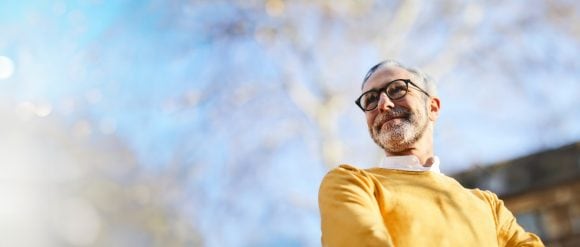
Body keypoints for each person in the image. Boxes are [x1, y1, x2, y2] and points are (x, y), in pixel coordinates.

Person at [318, 60, 544, 246]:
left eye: (396, 89)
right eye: (371, 99)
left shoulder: (489, 207)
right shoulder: (350, 183)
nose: (383, 104)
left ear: (433, 107)